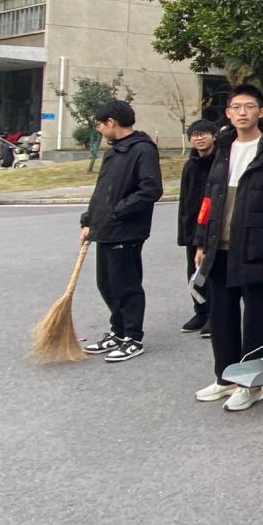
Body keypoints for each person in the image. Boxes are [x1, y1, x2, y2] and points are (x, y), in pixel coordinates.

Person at [192, 85, 263, 412]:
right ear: (227, 113)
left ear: (260, 112)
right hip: (220, 248)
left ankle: (252, 385)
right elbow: (209, 198)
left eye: (249, 106)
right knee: (221, 317)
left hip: (257, 248)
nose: (242, 112)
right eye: (236, 107)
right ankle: (226, 378)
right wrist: (201, 241)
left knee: (255, 321)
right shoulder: (224, 148)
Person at [79, 100, 164, 363]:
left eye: (100, 124)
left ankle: (133, 337)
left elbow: (150, 190)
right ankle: (117, 331)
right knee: (106, 284)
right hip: (105, 228)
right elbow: (101, 191)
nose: (99, 129)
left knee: (126, 285)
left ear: (111, 122)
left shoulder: (142, 150)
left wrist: (117, 211)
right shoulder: (114, 152)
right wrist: (88, 220)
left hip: (126, 230)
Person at [178, 119, 218, 337]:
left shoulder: (221, 162)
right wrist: (185, 232)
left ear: (214, 136)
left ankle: (215, 315)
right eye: (194, 135)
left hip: (214, 227)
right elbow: (185, 202)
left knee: (211, 273)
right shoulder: (190, 165)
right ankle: (200, 311)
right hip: (193, 228)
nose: (199, 138)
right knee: (194, 272)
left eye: (204, 134)